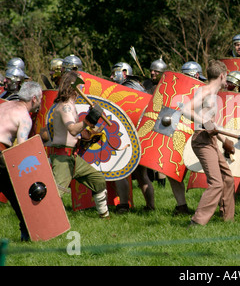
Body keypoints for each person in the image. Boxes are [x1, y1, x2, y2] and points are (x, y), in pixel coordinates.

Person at [48, 70, 109, 218]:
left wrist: (88, 131)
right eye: (80, 84)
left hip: (72, 157)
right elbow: (72, 129)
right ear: (72, 86)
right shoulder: (65, 107)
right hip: (62, 157)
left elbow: (74, 134)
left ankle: (105, 216)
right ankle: (42, 220)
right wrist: (88, 120)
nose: (82, 88)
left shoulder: (70, 105)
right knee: (56, 194)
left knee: (98, 180)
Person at [182, 60, 235, 225]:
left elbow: (212, 125)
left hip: (210, 139)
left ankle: (228, 219)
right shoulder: (204, 91)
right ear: (222, 75)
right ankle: (197, 222)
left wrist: (223, 140)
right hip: (201, 140)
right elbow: (185, 109)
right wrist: (204, 122)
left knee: (228, 178)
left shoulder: (213, 95)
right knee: (216, 183)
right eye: (226, 77)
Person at [109, 62, 155, 213]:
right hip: (139, 135)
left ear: (123, 72)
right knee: (142, 175)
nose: (111, 76)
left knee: (121, 170)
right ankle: (150, 206)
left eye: (113, 72)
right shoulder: (138, 86)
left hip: (129, 135)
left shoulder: (128, 87)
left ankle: (123, 205)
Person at [0, 81, 42, 241]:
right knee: (18, 196)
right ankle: (26, 232)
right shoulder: (24, 117)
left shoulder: (4, 105)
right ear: (34, 99)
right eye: (40, 99)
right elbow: (21, 149)